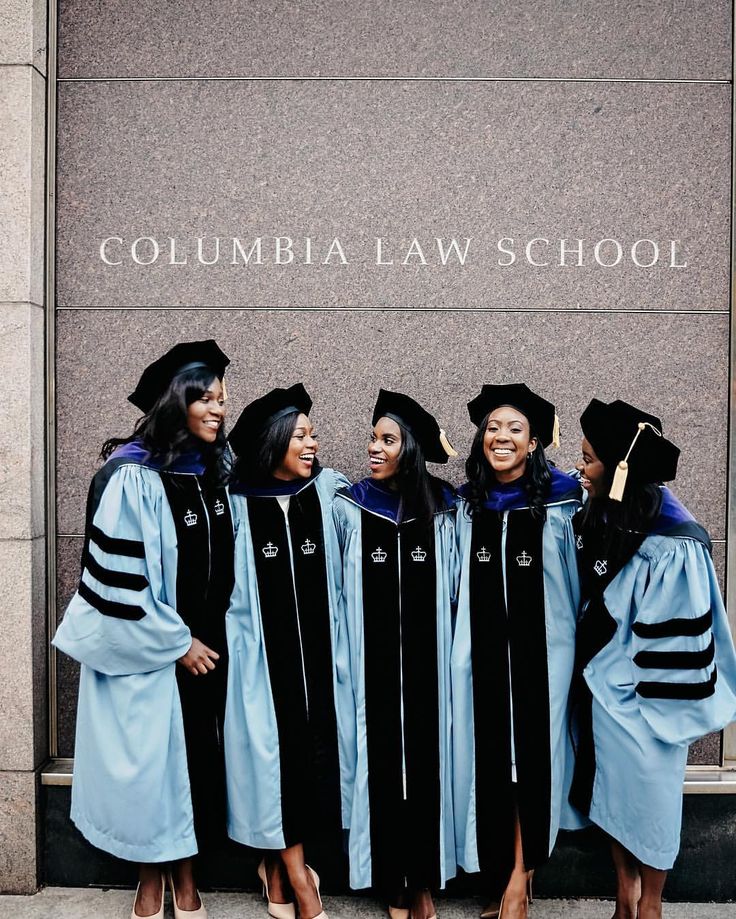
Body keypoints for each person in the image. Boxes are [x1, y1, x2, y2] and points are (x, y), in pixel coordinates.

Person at [52, 340, 234, 919]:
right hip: (158, 647)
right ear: (176, 403)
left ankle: (186, 871)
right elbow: (114, 582)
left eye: (223, 400)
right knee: (153, 766)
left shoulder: (215, 474)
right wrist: (177, 643)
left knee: (193, 764)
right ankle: (151, 876)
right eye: (205, 399)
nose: (217, 410)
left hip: (210, 646)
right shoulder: (129, 475)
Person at [570, 398, 736, 919]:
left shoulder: (674, 537)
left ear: (623, 469)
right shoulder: (604, 512)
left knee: (655, 801)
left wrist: (627, 685)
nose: (582, 466)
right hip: (604, 689)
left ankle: (652, 906)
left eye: (590, 458)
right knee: (615, 798)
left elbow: (675, 639)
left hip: (651, 699)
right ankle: (625, 897)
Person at [451, 384, 582, 919]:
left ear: (534, 443)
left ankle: (518, 881)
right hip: (480, 656)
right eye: (493, 427)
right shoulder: (467, 505)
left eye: (515, 429)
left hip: (545, 657)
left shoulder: (563, 500)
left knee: (532, 762)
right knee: (490, 762)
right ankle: (502, 871)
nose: (501, 436)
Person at [224, 384, 350, 919]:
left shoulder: (332, 494)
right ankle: (298, 877)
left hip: (325, 661)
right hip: (260, 663)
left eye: (313, 434)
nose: (312, 444)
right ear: (272, 442)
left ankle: (276, 865)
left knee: (313, 759)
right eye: (300, 435)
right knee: (270, 761)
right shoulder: (232, 507)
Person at [333, 389, 458, 919]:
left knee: (428, 762)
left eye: (388, 440)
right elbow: (336, 591)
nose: (375, 449)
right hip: (371, 664)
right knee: (380, 758)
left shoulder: (448, 508)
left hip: (432, 668)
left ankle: (423, 880)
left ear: (411, 448)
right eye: (373, 439)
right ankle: (391, 879)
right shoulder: (349, 506)